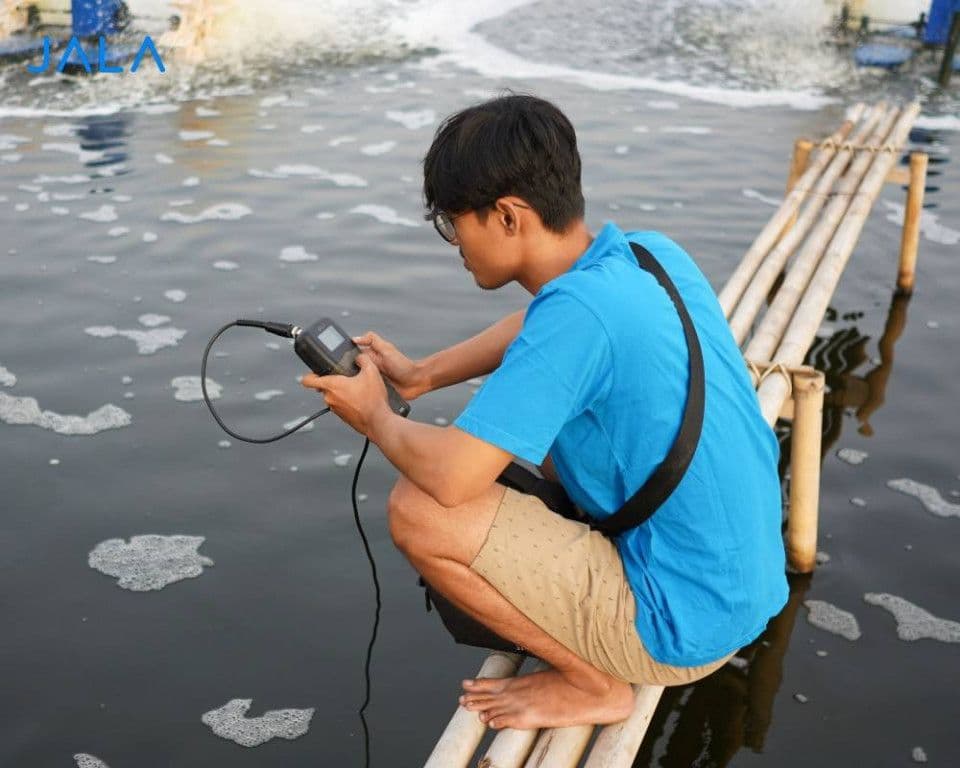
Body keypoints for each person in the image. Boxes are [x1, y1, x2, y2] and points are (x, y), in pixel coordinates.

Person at [300, 93, 788, 731]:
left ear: (508, 216)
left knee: (419, 509)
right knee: (539, 434)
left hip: (681, 624)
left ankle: (593, 685)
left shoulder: (579, 316)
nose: (454, 245)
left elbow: (452, 481)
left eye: (454, 224)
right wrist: (419, 376)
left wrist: (376, 418)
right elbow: (535, 324)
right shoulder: (647, 255)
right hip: (741, 580)